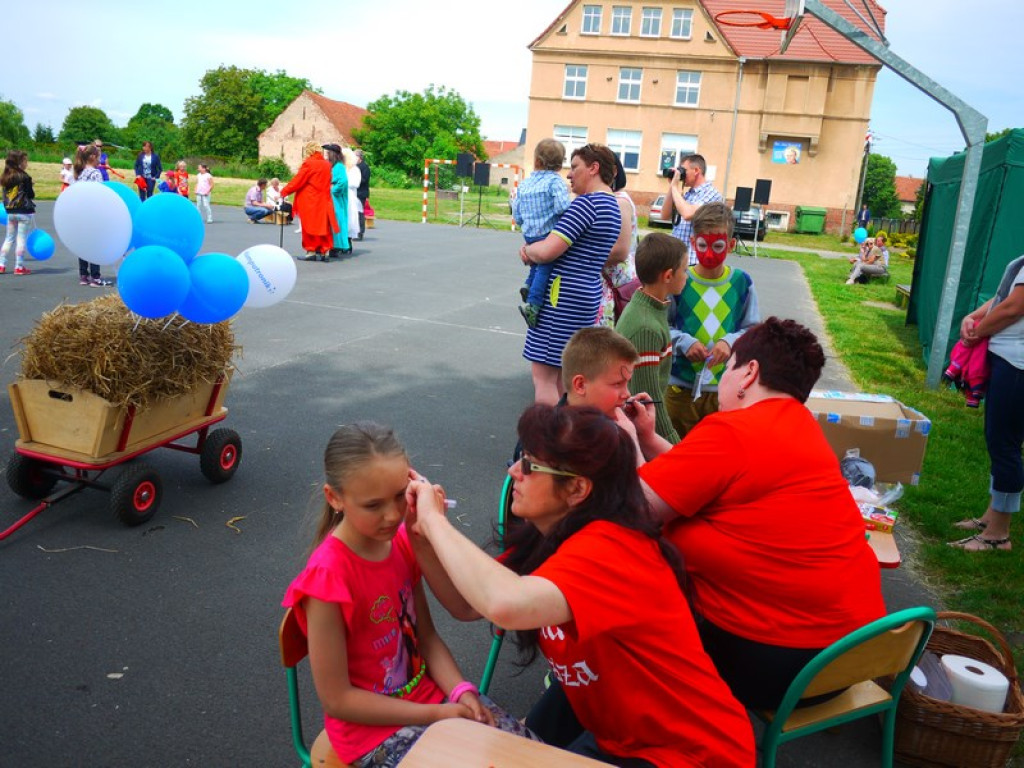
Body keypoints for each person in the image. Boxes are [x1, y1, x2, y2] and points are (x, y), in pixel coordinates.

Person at [407, 405, 755, 767]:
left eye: (529, 464)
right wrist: (421, 536)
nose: (513, 472)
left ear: (576, 488)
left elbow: (503, 603)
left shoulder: (611, 549)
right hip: (623, 739)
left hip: (694, 755)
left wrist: (436, 524)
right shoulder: (547, 539)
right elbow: (466, 605)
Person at [633, 317, 886, 710]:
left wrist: (628, 445)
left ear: (749, 372)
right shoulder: (802, 428)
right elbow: (701, 476)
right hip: (846, 661)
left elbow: (635, 506)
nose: (723, 380)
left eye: (728, 366)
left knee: (637, 599)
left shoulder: (732, 430)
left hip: (776, 665)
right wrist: (648, 440)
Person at [281, 423, 531, 767]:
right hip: (371, 734)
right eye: (373, 505)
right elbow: (338, 700)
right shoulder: (327, 579)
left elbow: (425, 637)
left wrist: (462, 691)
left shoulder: (400, 541)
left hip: (429, 702)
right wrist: (438, 712)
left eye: (400, 495)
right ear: (334, 497)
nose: (392, 514)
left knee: (525, 752)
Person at [519, 143, 630, 405]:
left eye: (575, 167)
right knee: (563, 377)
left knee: (544, 377)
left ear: (594, 168)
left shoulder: (585, 205)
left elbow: (547, 251)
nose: (569, 175)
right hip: (586, 294)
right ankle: (565, 435)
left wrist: (528, 250)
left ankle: (547, 440)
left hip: (561, 297)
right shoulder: (613, 206)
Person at [949, 253, 1024, 552]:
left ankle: (998, 535)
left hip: (1017, 363)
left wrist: (977, 332)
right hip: (1008, 358)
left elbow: (1013, 308)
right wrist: (974, 318)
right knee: (1000, 442)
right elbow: (1002, 297)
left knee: (1005, 445)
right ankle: (992, 517)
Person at [667, 201, 759, 438]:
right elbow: (662, 326)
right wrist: (683, 342)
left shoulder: (741, 283)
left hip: (724, 390)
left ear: (731, 245)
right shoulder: (679, 280)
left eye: (717, 246)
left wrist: (730, 341)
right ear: (692, 242)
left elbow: (753, 330)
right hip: (679, 388)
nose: (708, 254)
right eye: (702, 245)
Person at [614, 233, 686, 443]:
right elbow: (649, 400)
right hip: (638, 437)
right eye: (685, 270)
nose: (687, 276)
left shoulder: (649, 308)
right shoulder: (646, 327)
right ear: (668, 276)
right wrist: (674, 445)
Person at [511, 138, 571, 329]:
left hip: (529, 233)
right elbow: (562, 207)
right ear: (561, 164)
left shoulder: (524, 184)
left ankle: (528, 285)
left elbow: (517, 213)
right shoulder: (556, 182)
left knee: (536, 265)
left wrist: (526, 223)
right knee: (545, 266)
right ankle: (534, 305)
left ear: (537, 160)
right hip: (548, 232)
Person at [598, 155, 640, 329]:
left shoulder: (620, 201)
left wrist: (580, 256)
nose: (570, 174)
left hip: (615, 289)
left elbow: (620, 250)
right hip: (610, 287)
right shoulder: (606, 200)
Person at [660, 153, 723, 266]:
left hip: (695, 262)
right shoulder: (688, 195)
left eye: (683, 170)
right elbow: (664, 215)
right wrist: (672, 187)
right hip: (677, 260)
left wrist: (675, 186)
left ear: (696, 170)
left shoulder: (712, 194)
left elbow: (687, 214)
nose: (681, 174)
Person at [281, 140, 338, 262]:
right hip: (324, 199)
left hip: (310, 200)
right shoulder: (327, 164)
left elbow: (298, 181)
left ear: (309, 151)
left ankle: (311, 250)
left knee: (309, 227)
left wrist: (284, 191)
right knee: (323, 226)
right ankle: (325, 251)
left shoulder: (309, 163)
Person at [72, 146, 114, 287]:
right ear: (92, 157)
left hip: (81, 214)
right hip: (93, 214)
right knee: (96, 244)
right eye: (99, 157)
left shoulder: (80, 173)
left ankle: (83, 275)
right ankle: (95, 277)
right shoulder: (96, 173)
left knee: (83, 244)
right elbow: (100, 194)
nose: (101, 160)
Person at [0, 150, 36, 276]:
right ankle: (19, 266)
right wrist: (31, 185)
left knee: (9, 238)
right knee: (21, 239)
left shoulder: (5, 176)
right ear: (19, 163)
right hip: (23, 211)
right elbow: (31, 195)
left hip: (10, 211)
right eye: (25, 161)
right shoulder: (25, 177)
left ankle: (1, 264)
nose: (27, 163)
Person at [323, 144, 351, 257]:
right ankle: (333, 245)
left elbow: (343, 181)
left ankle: (337, 246)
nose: (326, 155)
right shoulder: (333, 166)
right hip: (331, 198)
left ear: (333, 154)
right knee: (333, 221)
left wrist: (333, 190)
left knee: (337, 220)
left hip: (336, 199)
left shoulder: (339, 167)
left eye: (328, 153)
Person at [342, 148, 361, 246]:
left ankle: (348, 242)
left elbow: (355, 183)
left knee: (350, 219)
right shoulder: (341, 168)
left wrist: (343, 183)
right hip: (341, 196)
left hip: (350, 197)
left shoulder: (354, 169)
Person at [355, 149, 370, 241]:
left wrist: (355, 180)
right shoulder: (355, 167)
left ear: (359, 157)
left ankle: (360, 232)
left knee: (360, 213)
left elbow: (364, 180)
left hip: (361, 192)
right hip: (355, 192)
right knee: (355, 213)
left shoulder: (364, 167)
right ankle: (355, 231)